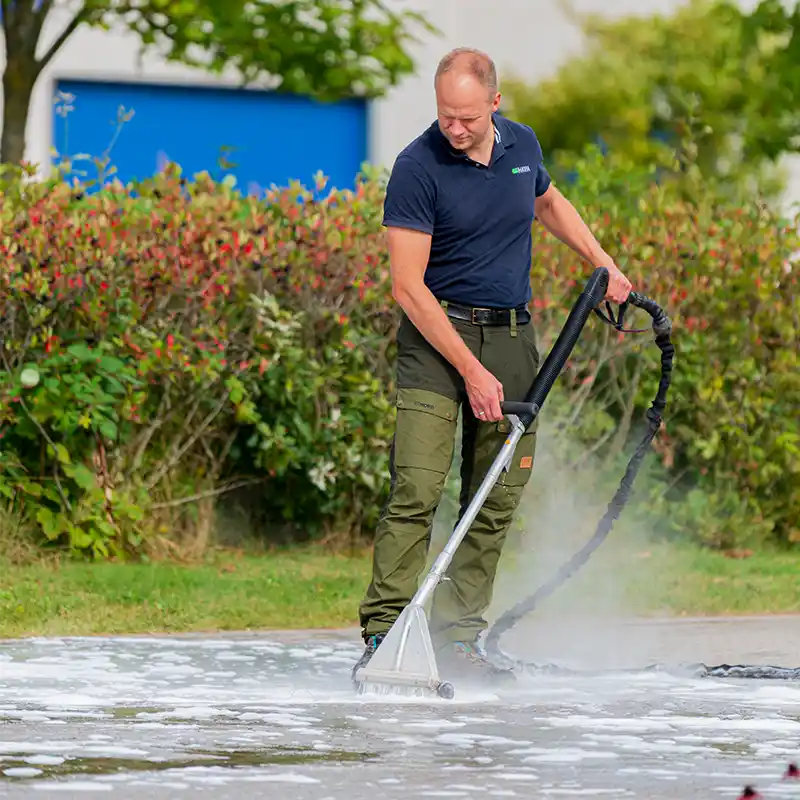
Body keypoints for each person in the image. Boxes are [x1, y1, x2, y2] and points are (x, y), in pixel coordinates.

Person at [353, 47, 632, 686]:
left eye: (468, 118)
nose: (456, 128)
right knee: (417, 489)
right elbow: (407, 288)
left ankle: (457, 639)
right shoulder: (417, 168)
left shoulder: (523, 147)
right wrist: (470, 372)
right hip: (436, 339)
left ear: (495, 104)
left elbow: (548, 201)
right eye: (446, 116)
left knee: (496, 496)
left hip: (511, 336)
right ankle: (383, 636)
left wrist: (604, 263)